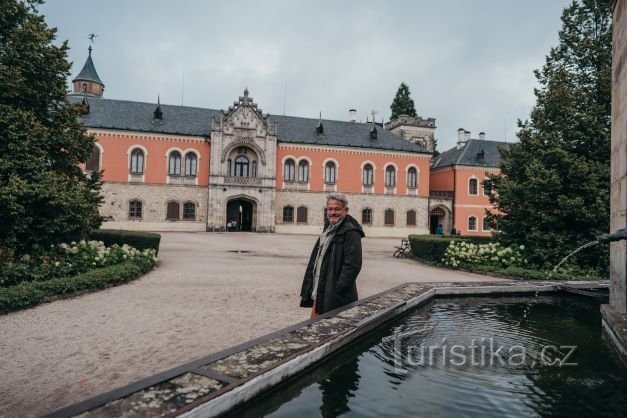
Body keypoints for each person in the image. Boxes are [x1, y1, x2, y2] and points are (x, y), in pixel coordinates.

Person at [300, 192, 365, 318]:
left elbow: (353, 266)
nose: (333, 212)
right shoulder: (329, 228)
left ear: (346, 210)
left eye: (337, 209)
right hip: (321, 291)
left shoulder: (351, 232)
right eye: (330, 209)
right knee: (315, 327)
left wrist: (337, 290)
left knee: (328, 331)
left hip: (335, 296)